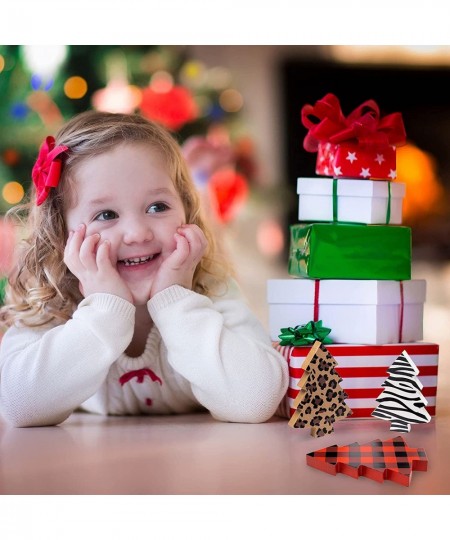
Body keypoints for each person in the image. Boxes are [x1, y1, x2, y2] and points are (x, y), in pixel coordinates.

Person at [0, 111, 288, 428]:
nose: (138, 233)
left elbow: (257, 399)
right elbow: (17, 405)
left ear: (187, 212)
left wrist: (175, 300)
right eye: (106, 214)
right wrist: (106, 310)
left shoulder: (211, 292)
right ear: (62, 234)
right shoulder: (50, 305)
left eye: (157, 207)